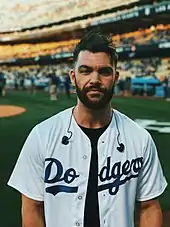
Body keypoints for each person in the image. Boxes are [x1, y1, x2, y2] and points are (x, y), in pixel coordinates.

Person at [7, 32, 167, 227]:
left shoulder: (140, 138)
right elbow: (32, 207)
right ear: (73, 77)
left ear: (115, 77)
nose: (95, 79)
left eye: (104, 72)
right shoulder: (42, 136)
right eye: (86, 70)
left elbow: (149, 206)